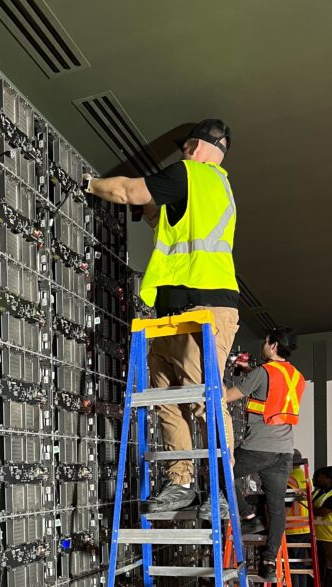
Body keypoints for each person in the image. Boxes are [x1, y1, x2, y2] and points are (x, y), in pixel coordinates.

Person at [85, 119, 239, 514]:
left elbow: (127, 190)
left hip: (205, 307)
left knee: (204, 398)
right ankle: (181, 480)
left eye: (187, 146)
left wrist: (89, 184)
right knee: (166, 396)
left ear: (198, 146)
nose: (183, 153)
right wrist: (149, 206)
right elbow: (160, 215)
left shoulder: (192, 173)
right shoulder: (206, 189)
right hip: (173, 313)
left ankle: (222, 490)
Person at [222, 328, 306, 581]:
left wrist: (221, 378)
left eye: (266, 341)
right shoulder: (297, 377)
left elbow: (227, 397)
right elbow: (273, 396)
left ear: (273, 345)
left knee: (220, 472)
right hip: (283, 451)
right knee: (276, 507)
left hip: (258, 446)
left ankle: (248, 515)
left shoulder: (264, 372)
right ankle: (269, 561)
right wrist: (249, 373)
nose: (263, 344)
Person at [285, 453, 313, 587]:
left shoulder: (290, 478)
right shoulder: (306, 477)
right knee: (301, 564)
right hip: (305, 527)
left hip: (292, 528)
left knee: (294, 566)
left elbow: (286, 503)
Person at [313, 467, 332, 587]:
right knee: (321, 567)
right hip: (317, 536)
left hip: (329, 537)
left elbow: (321, 512)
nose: (317, 479)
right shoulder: (319, 492)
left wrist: (308, 508)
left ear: (328, 478)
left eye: (320, 477)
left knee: (330, 567)